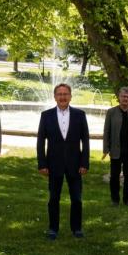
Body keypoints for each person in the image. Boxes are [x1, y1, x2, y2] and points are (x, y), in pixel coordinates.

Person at [37, 83, 90, 240]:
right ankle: (53, 228)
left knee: (77, 199)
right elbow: (40, 142)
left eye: (65, 94)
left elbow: (85, 141)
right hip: (53, 164)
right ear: (54, 97)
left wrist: (84, 163)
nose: (62, 97)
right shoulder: (46, 116)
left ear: (70, 96)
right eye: (59, 94)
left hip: (75, 164)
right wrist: (42, 164)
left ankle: (77, 228)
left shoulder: (80, 115)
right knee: (54, 198)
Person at [102, 86, 128, 206]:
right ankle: (115, 200)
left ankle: (127, 199)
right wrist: (106, 149)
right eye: (123, 96)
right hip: (115, 150)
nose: (125, 99)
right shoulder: (111, 112)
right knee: (114, 176)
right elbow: (106, 132)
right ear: (119, 97)